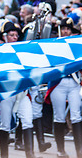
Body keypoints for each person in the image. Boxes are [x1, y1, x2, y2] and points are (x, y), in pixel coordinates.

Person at [0, 21, 39, 158]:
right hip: (6, 93)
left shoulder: (23, 52)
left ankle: (30, 154)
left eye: (16, 35)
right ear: (5, 36)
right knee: (5, 125)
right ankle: (4, 156)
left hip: (22, 92)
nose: (15, 37)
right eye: (11, 35)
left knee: (27, 120)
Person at [45, 17, 82, 158]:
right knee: (59, 116)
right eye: (64, 28)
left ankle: (79, 150)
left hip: (74, 83)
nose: (65, 31)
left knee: (76, 115)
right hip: (58, 83)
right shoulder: (53, 44)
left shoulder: (77, 44)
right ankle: (61, 150)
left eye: (68, 29)